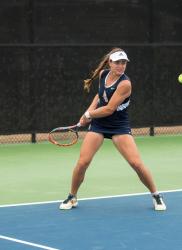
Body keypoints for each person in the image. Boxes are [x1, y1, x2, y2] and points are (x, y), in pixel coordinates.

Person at [60, 48, 166, 211]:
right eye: (117, 62)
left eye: (124, 63)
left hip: (119, 126)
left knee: (136, 163)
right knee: (83, 162)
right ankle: (72, 196)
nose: (121, 66)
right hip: (99, 125)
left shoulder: (125, 84)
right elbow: (99, 96)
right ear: (110, 63)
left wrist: (89, 114)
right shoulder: (103, 74)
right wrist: (87, 112)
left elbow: (109, 109)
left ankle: (156, 195)